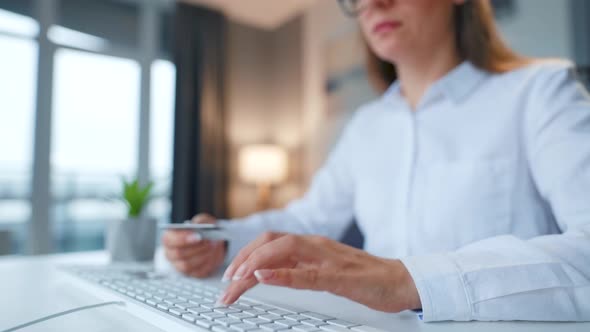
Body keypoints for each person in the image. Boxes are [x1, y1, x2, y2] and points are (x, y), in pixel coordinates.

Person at [162, 0, 590, 322]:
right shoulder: (367, 126)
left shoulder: (540, 92)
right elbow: (308, 222)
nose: (373, 4)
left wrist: (406, 280)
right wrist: (219, 241)